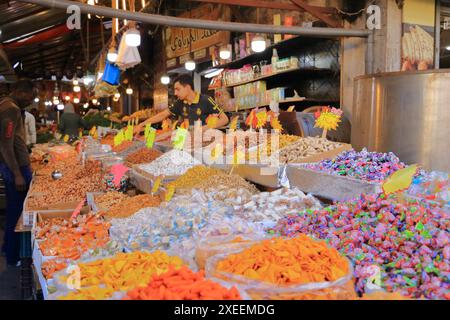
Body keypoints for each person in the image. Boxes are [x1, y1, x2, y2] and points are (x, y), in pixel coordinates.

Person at [0, 79, 35, 266]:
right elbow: (6, 144)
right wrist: (17, 173)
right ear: (21, 92)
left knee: (15, 209)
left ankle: (8, 249)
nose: (31, 100)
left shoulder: (7, 105)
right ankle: (14, 256)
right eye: (31, 95)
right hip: (15, 168)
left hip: (14, 167)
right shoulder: (11, 109)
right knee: (17, 212)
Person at [134, 74, 229, 141]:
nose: (175, 93)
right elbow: (163, 115)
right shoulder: (179, 103)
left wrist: (204, 128)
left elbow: (225, 119)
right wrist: (143, 124)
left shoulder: (206, 100)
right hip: (189, 141)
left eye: (177, 89)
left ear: (187, 88)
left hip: (206, 141)